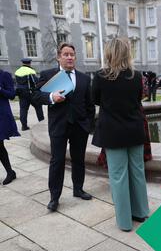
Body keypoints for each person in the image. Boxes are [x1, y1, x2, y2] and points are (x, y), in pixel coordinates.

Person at [92, 38, 150, 232]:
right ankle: (141, 212)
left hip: (112, 132)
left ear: (109, 53)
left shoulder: (100, 76)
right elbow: (138, 98)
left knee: (118, 176)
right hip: (134, 130)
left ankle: (125, 221)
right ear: (126, 53)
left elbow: (96, 99)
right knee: (138, 172)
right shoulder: (136, 76)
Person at [32, 43, 95, 212]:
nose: (69, 57)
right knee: (57, 161)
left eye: (72, 54)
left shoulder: (84, 78)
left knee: (78, 160)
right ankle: (54, 197)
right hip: (59, 126)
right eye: (66, 54)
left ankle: (78, 189)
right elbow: (36, 96)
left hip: (79, 127)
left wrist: (87, 124)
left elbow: (89, 105)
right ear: (59, 57)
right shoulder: (48, 75)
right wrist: (51, 97)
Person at [0, 68, 20, 185]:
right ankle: (10, 172)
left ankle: (10, 172)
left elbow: (12, 94)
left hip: (1, 116)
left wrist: (0, 89)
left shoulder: (4, 75)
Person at [15, 58, 44, 131]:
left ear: (22, 63)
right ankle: (42, 124)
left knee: (23, 109)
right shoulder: (30, 71)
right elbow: (35, 82)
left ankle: (24, 126)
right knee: (38, 108)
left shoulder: (17, 71)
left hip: (21, 93)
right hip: (31, 93)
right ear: (29, 63)